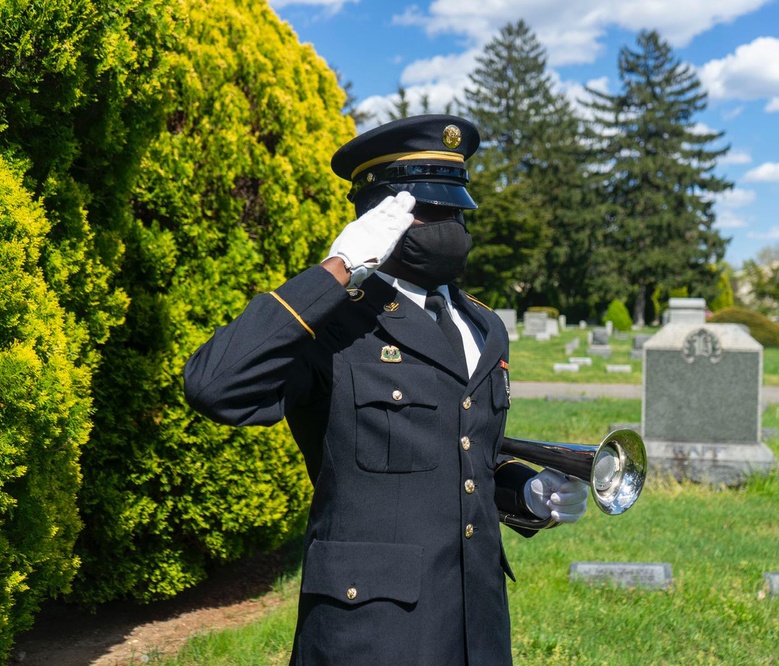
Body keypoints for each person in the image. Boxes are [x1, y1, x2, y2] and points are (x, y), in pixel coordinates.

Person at [183, 114, 588, 665]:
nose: (448, 224)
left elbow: (465, 456)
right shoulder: (335, 322)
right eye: (428, 210)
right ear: (383, 217)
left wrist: (524, 495)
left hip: (476, 627)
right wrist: (339, 267)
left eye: (454, 209)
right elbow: (214, 387)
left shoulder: (484, 327)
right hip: (371, 634)